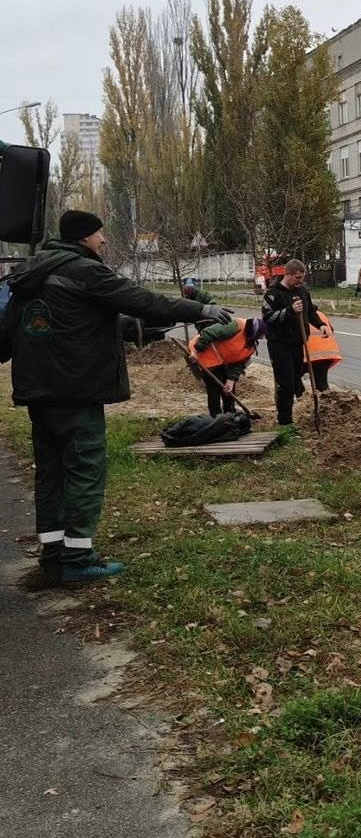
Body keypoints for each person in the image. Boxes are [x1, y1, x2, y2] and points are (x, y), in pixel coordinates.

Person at [7, 210, 231, 584]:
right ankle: (77, 561)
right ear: (83, 237)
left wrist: (130, 329)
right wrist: (201, 309)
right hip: (75, 391)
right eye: (99, 234)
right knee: (84, 471)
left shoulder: (32, 272)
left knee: (52, 473)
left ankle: (54, 556)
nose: (104, 240)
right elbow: (140, 299)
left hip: (38, 391)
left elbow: (64, 319)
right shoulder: (84, 270)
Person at [261, 259, 331, 427]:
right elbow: (268, 317)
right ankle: (285, 421)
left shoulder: (302, 291)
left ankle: (293, 413)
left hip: (298, 343)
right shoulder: (273, 294)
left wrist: (321, 324)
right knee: (285, 383)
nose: (300, 281)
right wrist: (290, 311)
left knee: (295, 378)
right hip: (279, 344)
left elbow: (310, 311)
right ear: (287, 274)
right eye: (297, 278)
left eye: (302, 278)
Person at [189, 316, 266, 416]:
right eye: (262, 334)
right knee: (214, 388)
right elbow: (209, 332)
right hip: (204, 352)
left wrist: (231, 380)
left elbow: (238, 362)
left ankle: (229, 415)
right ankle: (215, 417)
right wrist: (196, 350)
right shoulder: (236, 326)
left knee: (228, 390)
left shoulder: (251, 344)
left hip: (222, 360)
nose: (262, 338)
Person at [301, 310, 341, 392]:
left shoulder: (299, 314)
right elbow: (331, 330)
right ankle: (325, 397)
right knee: (321, 384)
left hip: (311, 355)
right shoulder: (320, 314)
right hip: (327, 353)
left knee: (293, 379)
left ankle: (301, 398)